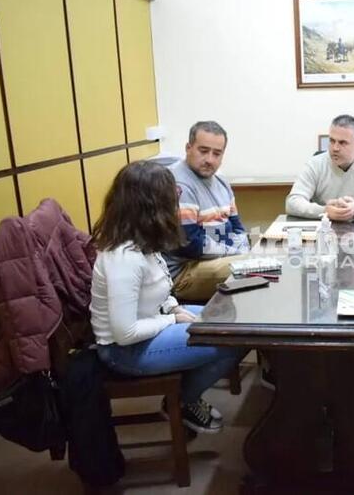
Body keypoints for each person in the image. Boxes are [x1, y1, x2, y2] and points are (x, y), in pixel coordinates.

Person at [90, 161, 246, 434]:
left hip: (150, 328)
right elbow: (125, 333)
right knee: (230, 340)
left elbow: (161, 287)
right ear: (150, 205)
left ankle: (186, 392)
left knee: (236, 320)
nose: (177, 201)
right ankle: (183, 401)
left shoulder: (144, 241)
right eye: (171, 196)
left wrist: (173, 308)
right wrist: (170, 319)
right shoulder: (123, 259)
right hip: (125, 351)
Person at [164, 121, 250, 302]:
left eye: (216, 153)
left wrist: (243, 248)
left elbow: (237, 227)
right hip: (185, 270)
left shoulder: (221, 182)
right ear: (188, 148)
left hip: (217, 258)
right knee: (254, 269)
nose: (210, 159)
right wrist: (237, 253)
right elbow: (190, 244)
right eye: (203, 151)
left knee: (271, 257)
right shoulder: (178, 184)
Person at [285, 114, 354, 221]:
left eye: (342, 143)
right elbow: (292, 202)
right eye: (332, 141)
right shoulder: (315, 164)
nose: (335, 148)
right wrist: (324, 211)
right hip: (326, 231)